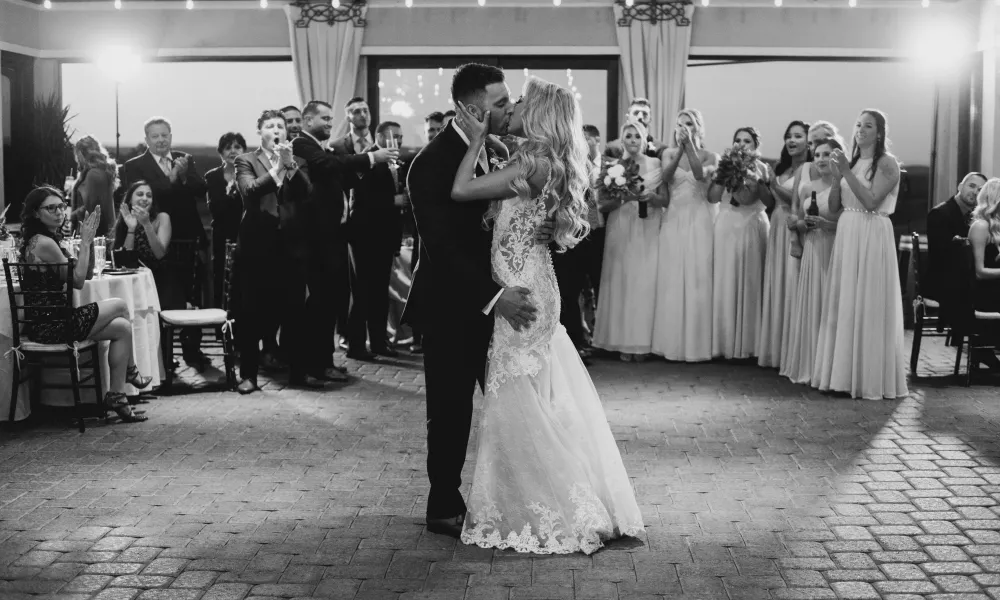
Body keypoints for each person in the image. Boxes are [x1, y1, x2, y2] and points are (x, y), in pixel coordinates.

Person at [446, 72, 643, 554]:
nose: (509, 109)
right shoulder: (543, 160)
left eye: (518, 104)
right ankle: (552, 494)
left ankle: (553, 504)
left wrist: (474, 141)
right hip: (534, 280)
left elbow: (461, 191)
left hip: (524, 291)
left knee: (518, 393)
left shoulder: (534, 163)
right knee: (537, 392)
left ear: (537, 116)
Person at [19, 187, 150, 422]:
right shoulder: (44, 243)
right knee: (120, 304)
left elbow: (85, 274)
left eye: (61, 206)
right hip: (52, 326)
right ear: (35, 214)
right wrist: (87, 242)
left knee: (122, 328)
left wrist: (83, 245)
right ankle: (131, 372)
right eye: (51, 208)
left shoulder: (43, 240)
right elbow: (78, 282)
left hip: (54, 322)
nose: (59, 212)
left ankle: (117, 396)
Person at [291, 101, 397, 384]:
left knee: (331, 304)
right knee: (319, 304)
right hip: (316, 239)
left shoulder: (320, 147)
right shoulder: (301, 144)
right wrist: (371, 158)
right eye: (324, 118)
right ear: (307, 119)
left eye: (330, 118)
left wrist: (369, 162)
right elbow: (326, 165)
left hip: (335, 236)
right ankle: (310, 367)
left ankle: (325, 362)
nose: (329, 123)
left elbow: (343, 179)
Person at [811, 109, 908, 400]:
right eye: (858, 124)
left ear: (880, 133)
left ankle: (867, 377)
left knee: (867, 301)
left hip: (871, 231)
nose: (861, 130)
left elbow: (870, 201)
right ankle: (840, 375)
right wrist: (835, 175)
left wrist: (845, 174)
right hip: (848, 231)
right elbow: (836, 205)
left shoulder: (887, 163)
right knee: (845, 301)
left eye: (868, 126)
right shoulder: (851, 162)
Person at [234, 110, 312, 393]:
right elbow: (251, 190)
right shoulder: (246, 160)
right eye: (270, 126)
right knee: (252, 311)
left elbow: (307, 194)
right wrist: (277, 167)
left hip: (290, 245)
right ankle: (249, 375)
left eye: (281, 125)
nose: (277, 130)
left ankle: (298, 374)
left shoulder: (297, 160)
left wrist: (290, 166)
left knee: (295, 312)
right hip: (257, 245)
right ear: (261, 131)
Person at [591, 119, 666, 361]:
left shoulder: (656, 163)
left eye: (637, 136)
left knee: (644, 281)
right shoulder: (613, 166)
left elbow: (665, 200)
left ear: (644, 140)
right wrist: (627, 197)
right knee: (621, 279)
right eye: (628, 136)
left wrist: (650, 197)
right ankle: (619, 340)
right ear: (622, 140)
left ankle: (642, 342)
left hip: (648, 226)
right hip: (621, 226)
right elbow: (602, 204)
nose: (633, 140)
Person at [651, 108, 719, 362]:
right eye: (680, 124)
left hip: (700, 218)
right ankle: (671, 342)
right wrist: (680, 148)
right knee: (672, 277)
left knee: (699, 277)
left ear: (698, 127)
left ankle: (698, 344)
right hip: (674, 217)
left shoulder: (711, 155)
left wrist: (689, 145)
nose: (684, 128)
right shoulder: (668, 152)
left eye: (689, 124)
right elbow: (667, 177)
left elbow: (700, 176)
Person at [347, 121, 409, 359]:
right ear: (381, 138)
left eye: (402, 137)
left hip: (385, 237)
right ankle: (355, 346)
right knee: (363, 292)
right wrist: (391, 202)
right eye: (395, 137)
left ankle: (378, 342)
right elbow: (358, 202)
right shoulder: (366, 160)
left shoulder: (395, 163)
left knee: (380, 292)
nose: (400, 142)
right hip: (364, 236)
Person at [709, 127, 771, 360]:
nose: (742, 144)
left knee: (751, 280)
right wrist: (723, 175)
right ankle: (724, 343)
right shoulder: (723, 166)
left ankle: (751, 344)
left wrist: (755, 181)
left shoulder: (763, 168)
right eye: (738, 140)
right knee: (726, 279)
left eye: (748, 141)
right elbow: (713, 197)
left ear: (756, 145)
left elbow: (763, 201)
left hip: (753, 224)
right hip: (727, 224)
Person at [205, 132, 247, 308]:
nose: (232, 151)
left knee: (245, 278)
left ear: (244, 150)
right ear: (220, 153)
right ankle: (220, 325)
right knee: (221, 277)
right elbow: (215, 208)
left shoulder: (251, 175)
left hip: (246, 232)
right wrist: (231, 189)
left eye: (237, 147)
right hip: (222, 234)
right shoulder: (212, 176)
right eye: (228, 147)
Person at [69, 135, 119, 237]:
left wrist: (69, 216)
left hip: (93, 234)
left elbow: (91, 208)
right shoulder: (98, 172)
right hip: (96, 232)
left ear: (81, 153)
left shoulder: (94, 174)